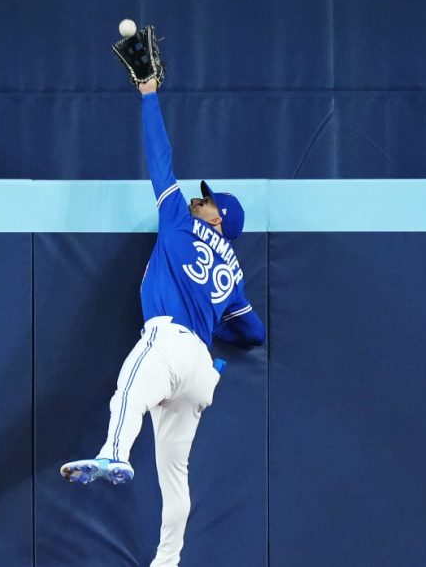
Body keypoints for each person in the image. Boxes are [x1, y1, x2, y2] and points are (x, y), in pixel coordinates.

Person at [60, 75, 265, 567]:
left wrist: (149, 94)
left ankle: (113, 453)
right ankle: (168, 561)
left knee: (128, 390)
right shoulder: (233, 273)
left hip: (169, 340)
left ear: (217, 220)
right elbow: (255, 333)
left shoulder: (181, 220)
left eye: (209, 201)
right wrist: (218, 333)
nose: (201, 198)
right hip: (200, 371)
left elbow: (160, 160)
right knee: (176, 474)